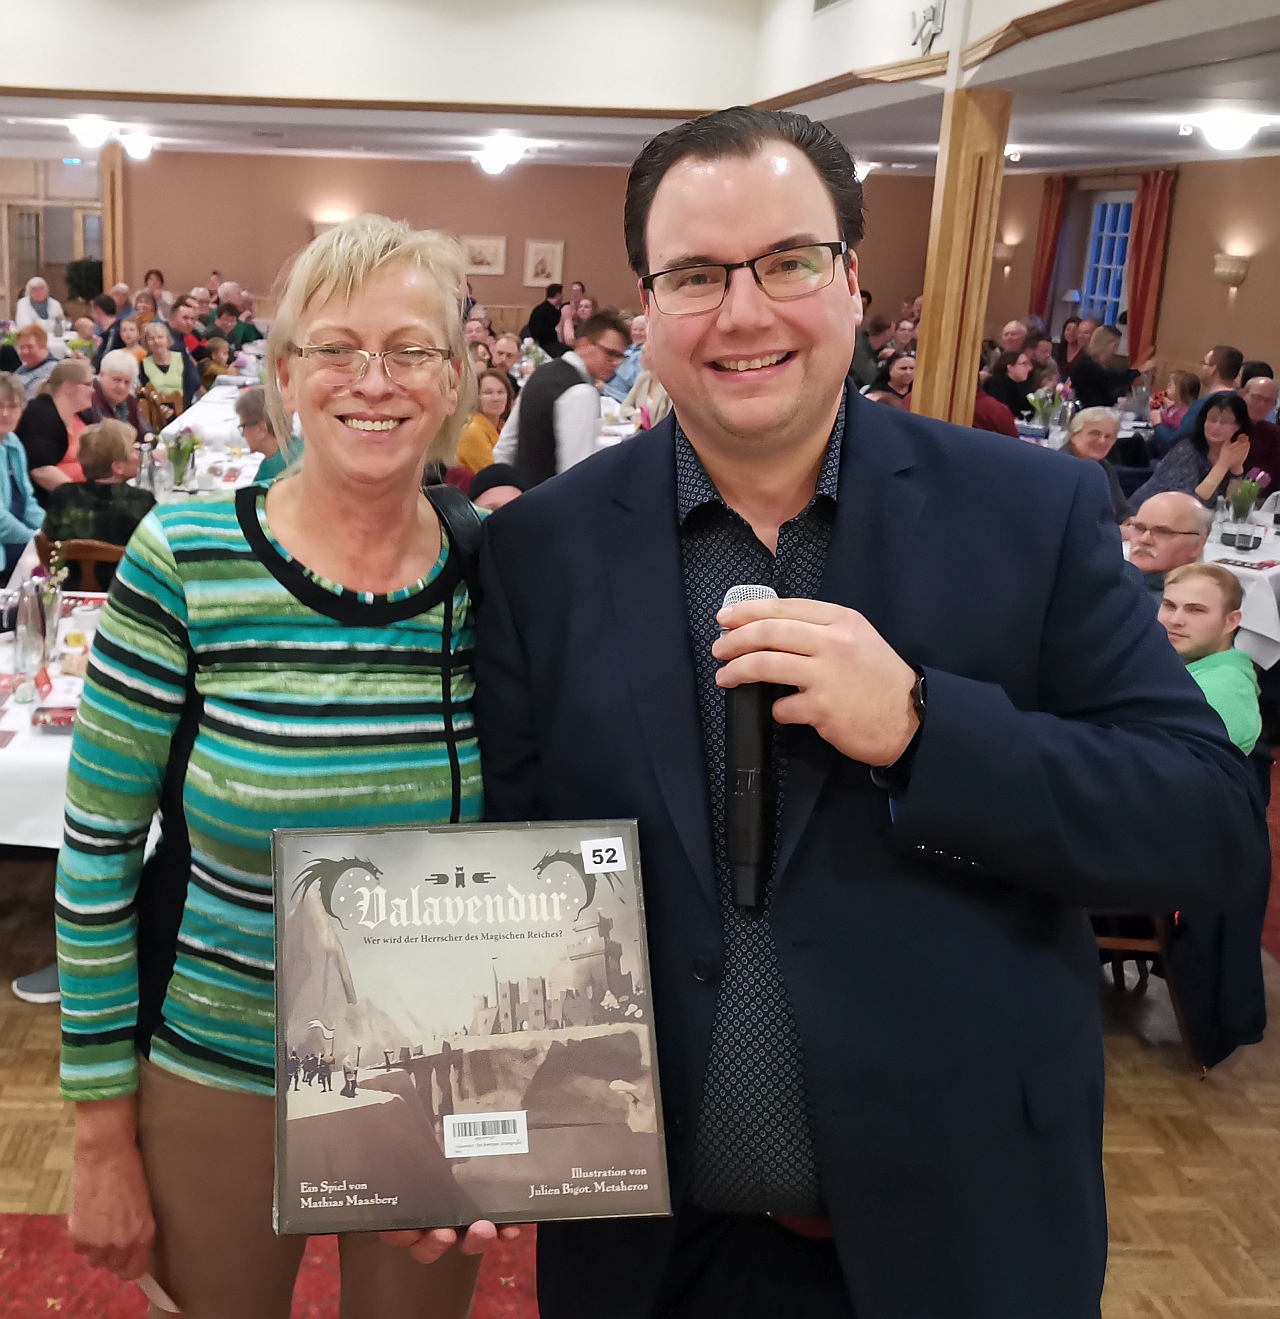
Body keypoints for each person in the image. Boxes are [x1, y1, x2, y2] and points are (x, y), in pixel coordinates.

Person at [463, 105, 1265, 1319]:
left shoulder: (1030, 511)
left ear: (849, 279)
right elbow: (512, 867)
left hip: (959, 1238)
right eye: (692, 275)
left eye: (785, 261)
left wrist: (926, 731)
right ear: (643, 300)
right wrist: (468, 1124)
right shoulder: (542, 551)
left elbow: (1202, 822)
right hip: (644, 1250)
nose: (742, 313)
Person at [56, 214, 511, 1317]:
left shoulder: (498, 579)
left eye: (411, 350)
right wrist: (99, 1128)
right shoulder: (189, 558)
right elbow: (98, 856)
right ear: (287, 374)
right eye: (336, 347)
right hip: (221, 1060)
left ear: (454, 379)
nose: (375, 380)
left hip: (430, 1072)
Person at [495, 309, 629, 486]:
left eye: (620, 357)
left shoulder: (541, 373)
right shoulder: (581, 391)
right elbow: (576, 475)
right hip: (551, 506)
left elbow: (504, 448)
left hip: (525, 500)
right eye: (610, 354)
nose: (615, 363)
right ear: (583, 343)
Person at [1158, 564, 1261, 754]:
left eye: (1195, 610)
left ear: (1231, 621)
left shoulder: (1223, 691)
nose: (1175, 620)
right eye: (1169, 605)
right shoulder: (1189, 666)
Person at [40, 419, 154, 590]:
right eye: (133, 450)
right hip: (126, 594)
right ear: (118, 467)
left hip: (69, 594)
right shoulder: (142, 502)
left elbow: (47, 545)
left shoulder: (62, 497)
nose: (138, 455)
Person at [1131, 391, 1252, 506]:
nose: (1216, 427)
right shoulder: (1187, 449)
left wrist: (1237, 468)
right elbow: (1190, 502)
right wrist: (1222, 466)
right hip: (1147, 513)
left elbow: (1232, 505)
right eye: (1212, 419)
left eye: (1225, 422)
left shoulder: (1231, 451)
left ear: (1238, 426)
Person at [16, 358, 95, 497]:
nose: (93, 390)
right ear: (68, 387)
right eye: (88, 384)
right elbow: (40, 470)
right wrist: (81, 499)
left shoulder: (81, 415)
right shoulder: (41, 415)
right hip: (52, 502)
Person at [1154, 345, 1243, 454]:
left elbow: (1173, 443)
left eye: (1204, 363)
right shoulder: (1241, 401)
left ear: (1213, 369)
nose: (1201, 367)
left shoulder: (1203, 405)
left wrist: (1157, 423)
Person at [1124, 490, 1212, 599]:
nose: (1144, 539)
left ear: (1197, 545)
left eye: (1163, 532)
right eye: (1139, 528)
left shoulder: (1198, 606)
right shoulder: (1107, 585)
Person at [0, 372, 44, 580]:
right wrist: (36, 541)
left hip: (13, 543)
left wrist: (51, 532)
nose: (6, 414)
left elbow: (27, 503)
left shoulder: (13, 443)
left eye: (13, 406)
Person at [1063, 406, 1129, 522]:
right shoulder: (1061, 467)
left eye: (1108, 436)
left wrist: (1130, 522)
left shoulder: (1104, 467)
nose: (1102, 441)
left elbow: (1122, 509)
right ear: (1073, 435)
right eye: (1095, 433)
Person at [1068, 324, 1151, 409]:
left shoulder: (1094, 363)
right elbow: (1110, 378)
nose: (1116, 350)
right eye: (1115, 345)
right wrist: (1138, 371)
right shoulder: (1086, 365)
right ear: (1105, 344)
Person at [235, 384, 299, 483]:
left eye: (243, 427)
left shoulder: (271, 477)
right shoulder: (299, 447)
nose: (243, 434)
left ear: (261, 429)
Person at [80, 349, 150, 439]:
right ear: (101, 375)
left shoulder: (129, 400)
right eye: (117, 380)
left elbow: (147, 432)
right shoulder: (89, 401)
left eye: (127, 382)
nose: (122, 386)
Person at [456, 369, 514, 473]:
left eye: (501, 392)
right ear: (476, 397)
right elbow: (495, 475)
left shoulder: (503, 427)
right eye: (488, 393)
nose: (496, 398)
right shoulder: (473, 431)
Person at [138, 321, 187, 430]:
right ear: (146, 343)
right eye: (151, 339)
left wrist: (181, 408)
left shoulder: (181, 358)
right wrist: (161, 408)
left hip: (184, 407)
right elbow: (145, 393)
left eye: (160, 337)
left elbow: (192, 385)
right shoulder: (144, 364)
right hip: (160, 412)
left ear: (167, 339)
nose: (156, 341)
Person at [1240, 375, 1280, 488]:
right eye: (1257, 397)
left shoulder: (1274, 434)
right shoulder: (1225, 426)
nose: (1261, 405)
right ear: (1242, 394)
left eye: (1268, 401)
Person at [621, 344, 673, 430]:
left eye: (643, 353)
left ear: (655, 357)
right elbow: (625, 406)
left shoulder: (669, 385)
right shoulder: (643, 378)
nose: (639, 358)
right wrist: (636, 415)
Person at [605, 314, 647, 402]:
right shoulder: (627, 349)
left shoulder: (646, 354)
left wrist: (605, 388)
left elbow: (636, 382)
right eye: (635, 329)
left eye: (642, 330)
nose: (637, 333)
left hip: (622, 399)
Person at [982, 349, 1033, 419]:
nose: (1029, 368)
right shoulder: (997, 384)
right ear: (1010, 367)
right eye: (1024, 364)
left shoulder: (1018, 386)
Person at [848, 314, 893, 389]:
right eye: (894, 330)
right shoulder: (858, 346)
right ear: (887, 332)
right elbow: (869, 378)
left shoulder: (882, 349)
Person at [14, 324, 58, 399]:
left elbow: (28, 402)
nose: (25, 351)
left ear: (44, 346)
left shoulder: (51, 371)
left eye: (30, 347)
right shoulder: (24, 368)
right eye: (21, 347)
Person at [523, 283, 566, 358]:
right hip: (544, 344)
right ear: (558, 295)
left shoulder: (540, 309)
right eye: (561, 294)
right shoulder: (548, 311)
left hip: (543, 343)